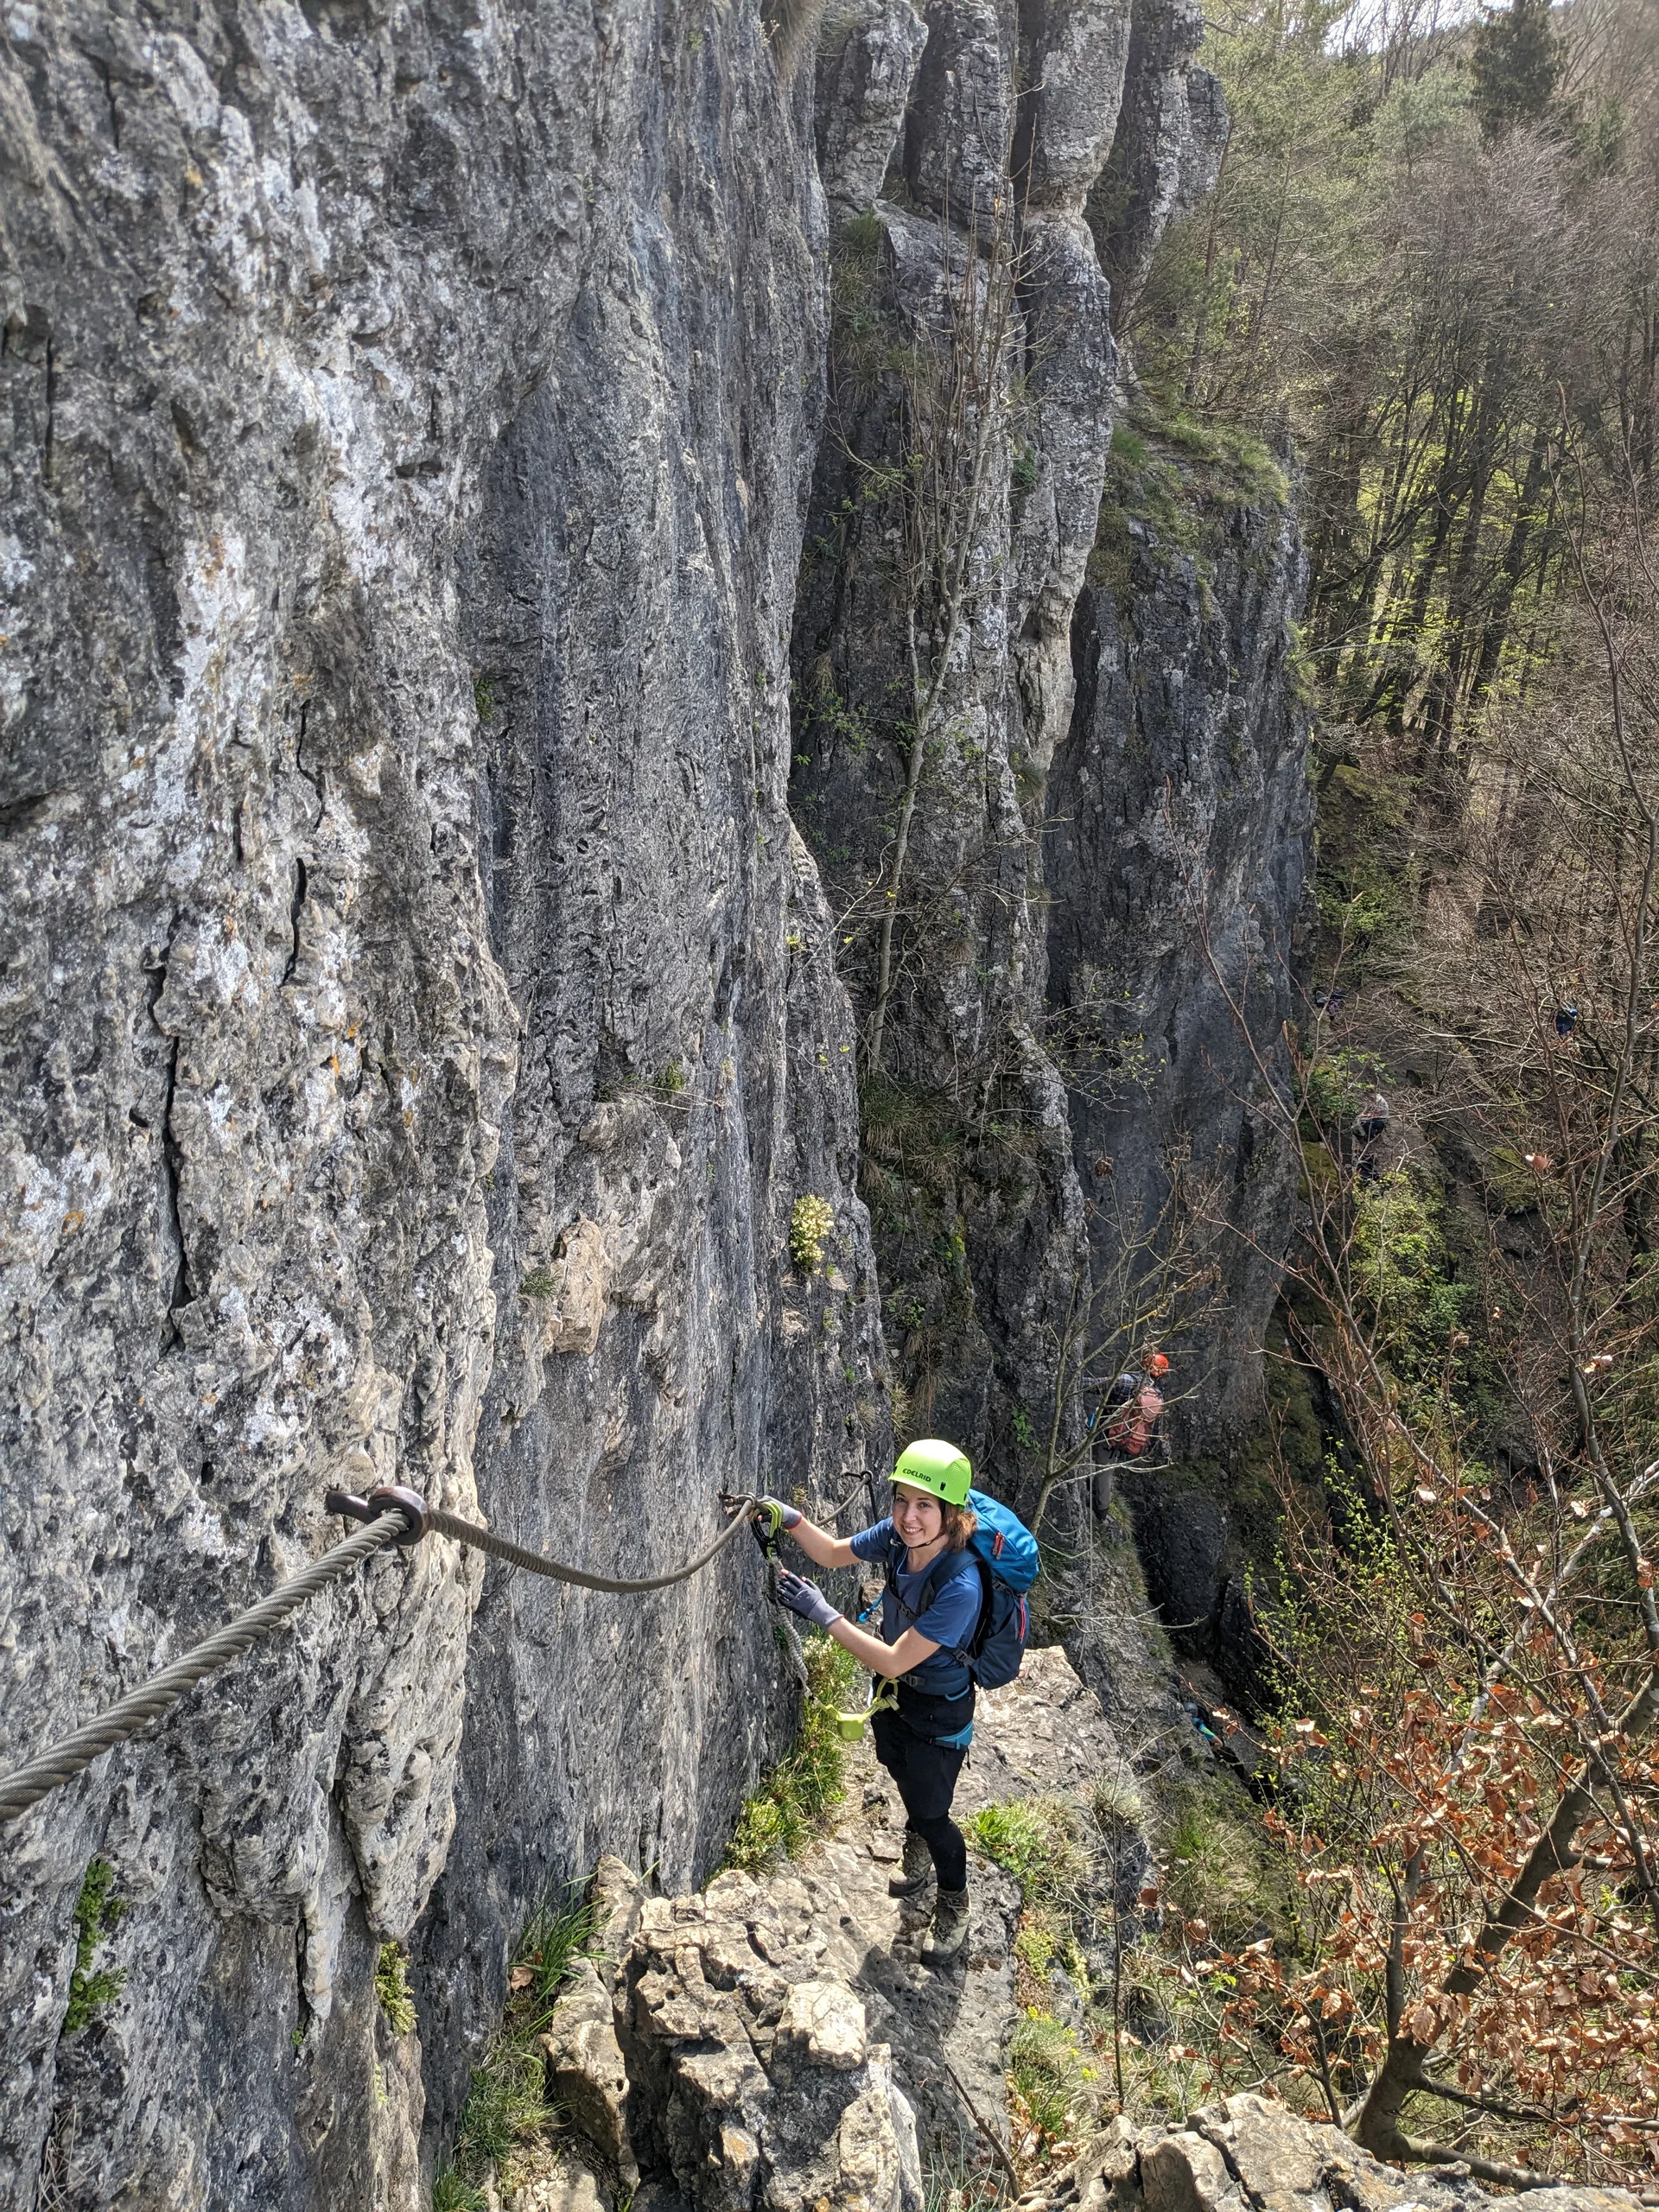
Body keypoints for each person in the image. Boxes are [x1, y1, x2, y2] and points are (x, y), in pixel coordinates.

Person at [753, 1440, 983, 1967]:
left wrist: (824, 1613)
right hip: (897, 1700)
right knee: (895, 1766)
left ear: (951, 1514)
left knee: (934, 1812)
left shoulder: (961, 1586)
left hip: (938, 1708)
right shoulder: (899, 1540)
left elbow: (895, 1660)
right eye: (902, 1500)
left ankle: (954, 1899)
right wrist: (790, 1519)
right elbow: (832, 1552)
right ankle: (919, 1839)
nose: (908, 1516)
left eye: (925, 1506)